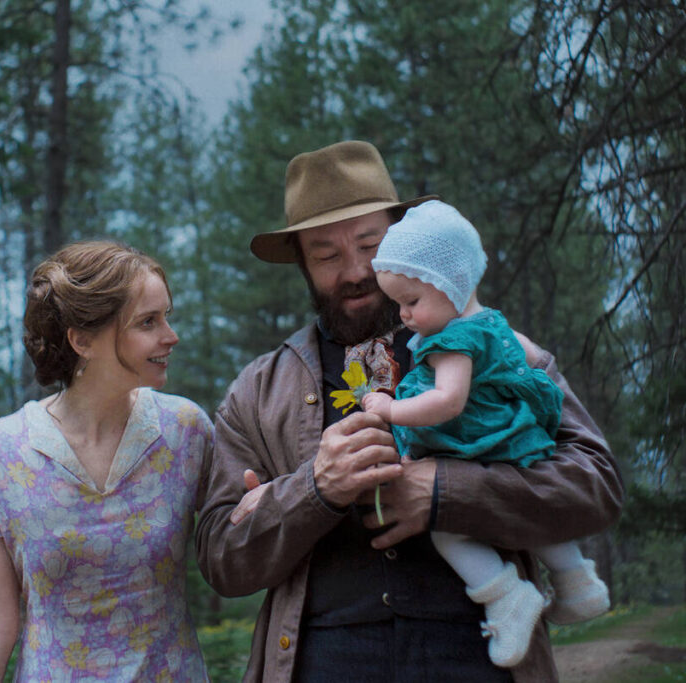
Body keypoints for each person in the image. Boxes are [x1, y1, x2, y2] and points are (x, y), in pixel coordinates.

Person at [194, 140, 623, 682]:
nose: (356, 271)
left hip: (480, 660)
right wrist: (314, 489)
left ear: (401, 237)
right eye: (326, 255)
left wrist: (445, 491)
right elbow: (220, 558)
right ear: (301, 261)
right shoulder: (258, 392)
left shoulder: (493, 345)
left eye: (371, 245)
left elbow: (598, 485)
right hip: (323, 665)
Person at [0, 241, 213, 682]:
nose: (170, 336)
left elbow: (240, 542)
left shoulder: (185, 431)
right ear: (82, 340)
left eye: (166, 317)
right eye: (148, 322)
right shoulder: (2, 454)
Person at [359, 199, 609, 668]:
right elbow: (526, 356)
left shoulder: (452, 341)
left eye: (411, 302)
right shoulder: (492, 322)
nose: (404, 315)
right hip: (516, 437)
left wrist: (392, 409)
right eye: (398, 303)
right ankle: (577, 581)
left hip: (476, 444)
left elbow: (447, 402)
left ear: (451, 285)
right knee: (532, 516)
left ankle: (505, 595)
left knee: (448, 533)